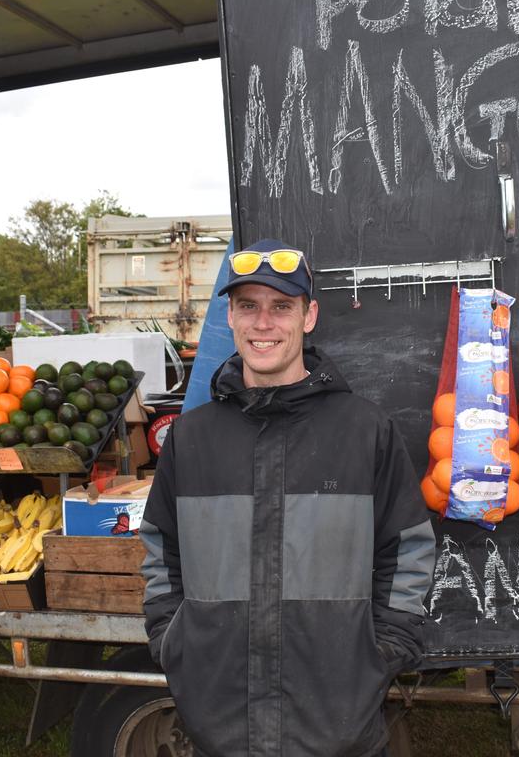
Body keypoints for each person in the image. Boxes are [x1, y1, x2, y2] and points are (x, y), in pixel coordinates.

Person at [140, 238, 436, 756]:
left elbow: (407, 550)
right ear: (229, 317)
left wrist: (382, 652)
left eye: (282, 306)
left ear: (309, 315)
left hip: (338, 723)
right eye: (248, 306)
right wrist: (173, 640)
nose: (263, 324)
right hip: (222, 723)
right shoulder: (192, 439)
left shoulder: (365, 431)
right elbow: (161, 551)